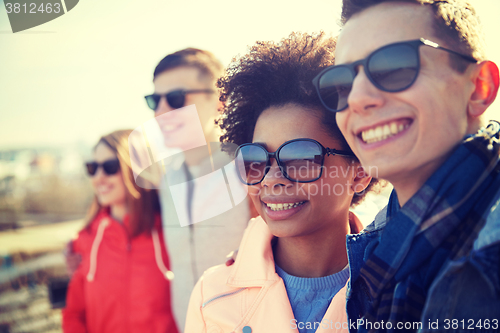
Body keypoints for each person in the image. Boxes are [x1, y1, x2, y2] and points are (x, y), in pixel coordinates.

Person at [312, 0, 500, 331]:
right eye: (342, 83)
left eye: (393, 66)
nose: (356, 97)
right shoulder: (378, 246)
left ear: (479, 87)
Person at [185, 32, 382, 333]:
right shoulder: (211, 297)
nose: (272, 178)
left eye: (301, 157)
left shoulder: (402, 290)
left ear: (360, 171)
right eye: (256, 158)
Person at [143, 48, 255, 330]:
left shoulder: (250, 169)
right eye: (155, 100)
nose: (161, 111)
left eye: (177, 98)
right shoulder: (167, 180)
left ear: (220, 100)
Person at [62, 130, 178, 332]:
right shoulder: (86, 239)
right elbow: (74, 313)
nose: (98, 177)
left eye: (110, 167)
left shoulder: (171, 232)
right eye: (92, 168)